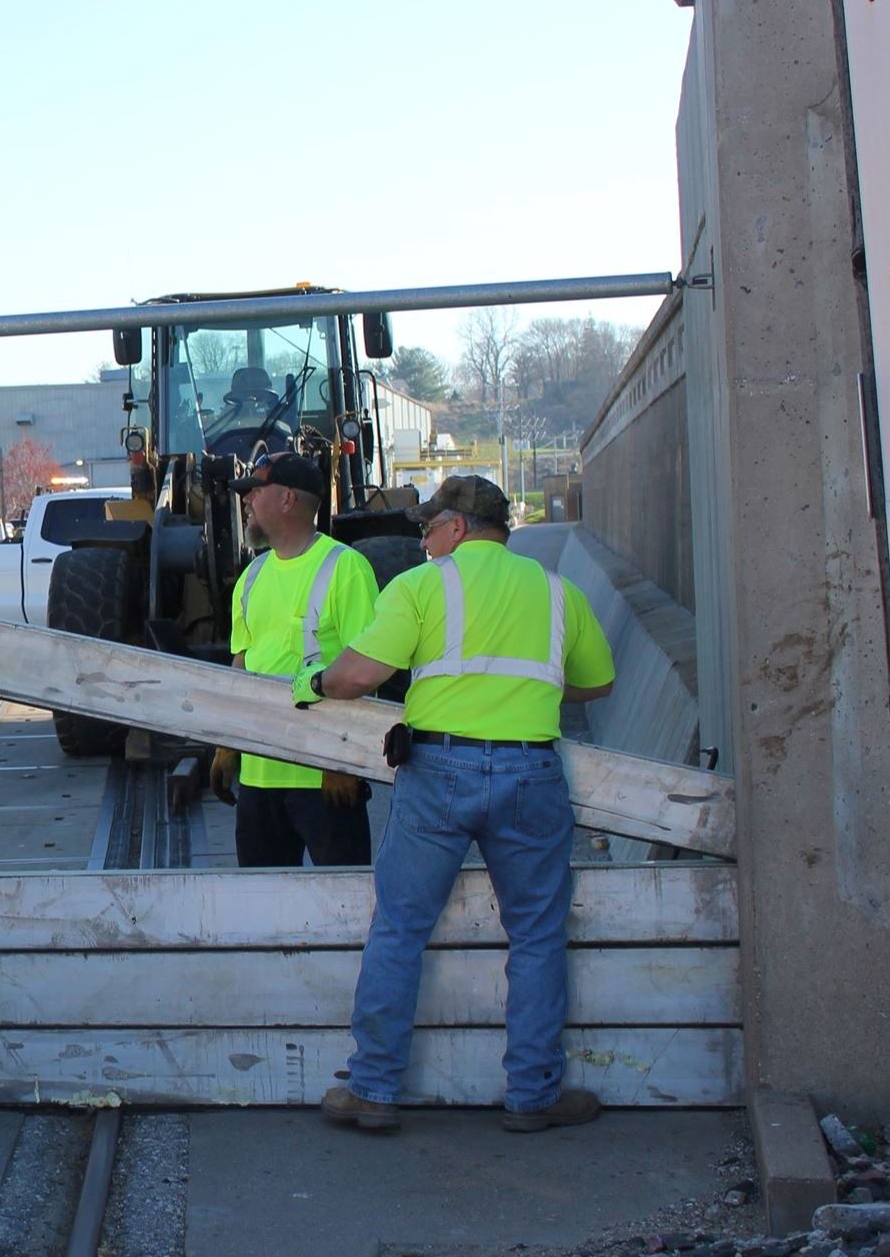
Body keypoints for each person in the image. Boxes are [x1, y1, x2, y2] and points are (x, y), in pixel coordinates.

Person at [294, 475, 616, 1134]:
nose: (423, 540)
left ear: (459, 527)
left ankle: (373, 1088)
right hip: (530, 772)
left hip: (439, 771)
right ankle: (533, 1095)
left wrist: (313, 682)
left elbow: (360, 676)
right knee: (537, 935)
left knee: (399, 929)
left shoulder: (422, 586)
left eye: (429, 528)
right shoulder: (557, 592)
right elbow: (597, 681)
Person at [215, 452, 380, 867]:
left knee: (343, 899)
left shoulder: (346, 568)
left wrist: (344, 761)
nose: (246, 501)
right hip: (259, 777)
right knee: (265, 898)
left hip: (325, 778)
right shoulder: (251, 578)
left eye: (255, 492)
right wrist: (226, 741)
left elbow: (366, 672)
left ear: (287, 499)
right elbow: (242, 668)